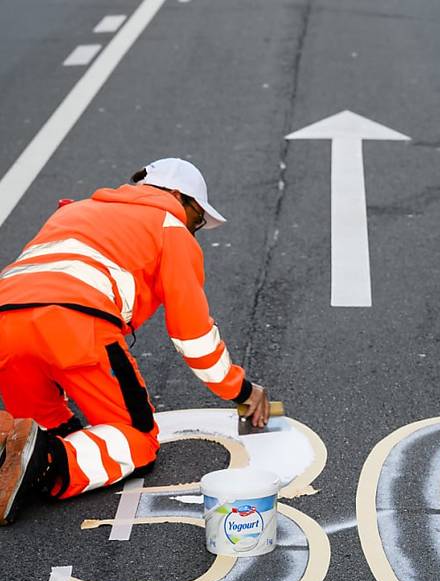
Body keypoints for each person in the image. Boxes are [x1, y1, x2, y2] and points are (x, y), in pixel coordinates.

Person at [0, 158, 270, 525]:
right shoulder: (169, 226)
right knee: (137, 439)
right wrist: (242, 390)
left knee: (42, 429)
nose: (196, 229)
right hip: (77, 323)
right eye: (199, 219)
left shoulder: (74, 211)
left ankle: (23, 453)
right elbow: (193, 337)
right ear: (178, 196)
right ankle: (45, 462)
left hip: (5, 324)